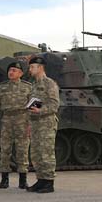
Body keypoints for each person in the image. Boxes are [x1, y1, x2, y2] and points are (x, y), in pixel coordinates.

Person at [0, 61, 31, 189]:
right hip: (6, 120)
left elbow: (34, 106)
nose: (11, 72)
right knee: (5, 151)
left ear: (20, 73)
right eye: (10, 70)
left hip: (22, 119)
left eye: (14, 70)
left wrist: (31, 124)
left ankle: (23, 180)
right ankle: (4, 180)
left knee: (22, 150)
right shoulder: (2, 87)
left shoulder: (28, 87)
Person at [27, 56, 60, 194]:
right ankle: (41, 180)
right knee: (36, 154)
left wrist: (41, 110)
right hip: (35, 124)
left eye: (32, 67)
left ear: (40, 67)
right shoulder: (34, 85)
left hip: (46, 123)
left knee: (46, 153)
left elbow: (54, 104)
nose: (30, 70)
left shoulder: (49, 84)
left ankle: (49, 182)